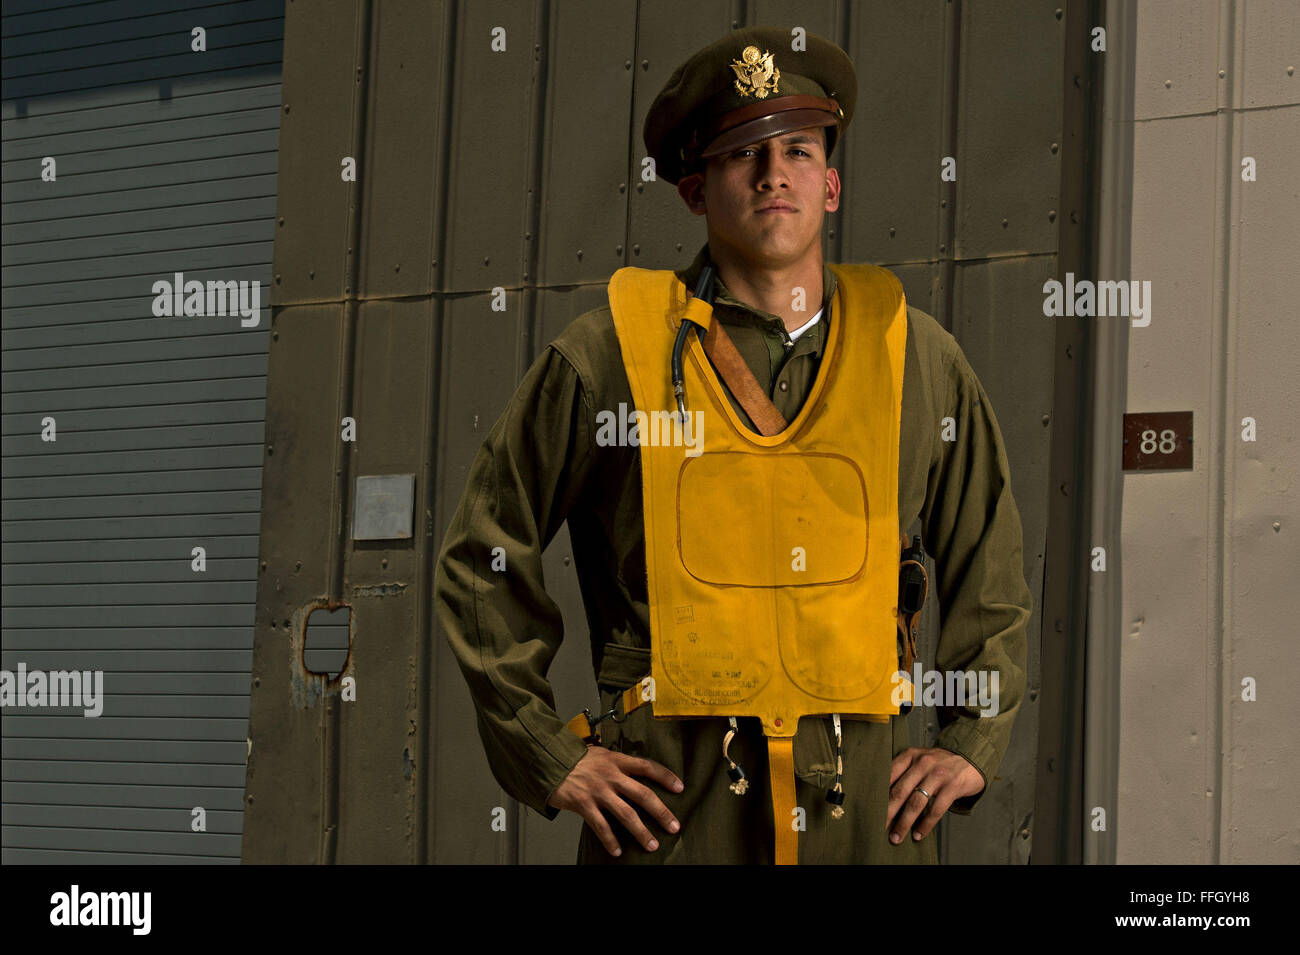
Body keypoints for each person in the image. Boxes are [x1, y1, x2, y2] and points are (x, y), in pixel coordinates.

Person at [433, 25, 1032, 864]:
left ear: (829, 183)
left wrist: (973, 737)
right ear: (694, 190)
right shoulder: (611, 355)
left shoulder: (916, 356)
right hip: (676, 817)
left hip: (861, 819)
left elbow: (990, 563)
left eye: (797, 148)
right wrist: (550, 755)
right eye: (741, 153)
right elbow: (479, 558)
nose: (773, 172)